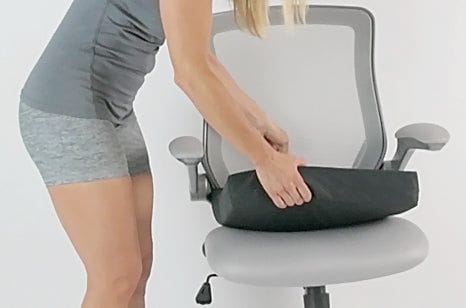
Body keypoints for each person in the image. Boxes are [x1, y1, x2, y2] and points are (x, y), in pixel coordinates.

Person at [17, 0, 313, 307]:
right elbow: (190, 74)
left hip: (112, 111)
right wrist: (263, 159)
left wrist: (260, 120)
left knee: (137, 269)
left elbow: (203, 60)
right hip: (68, 111)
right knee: (116, 277)